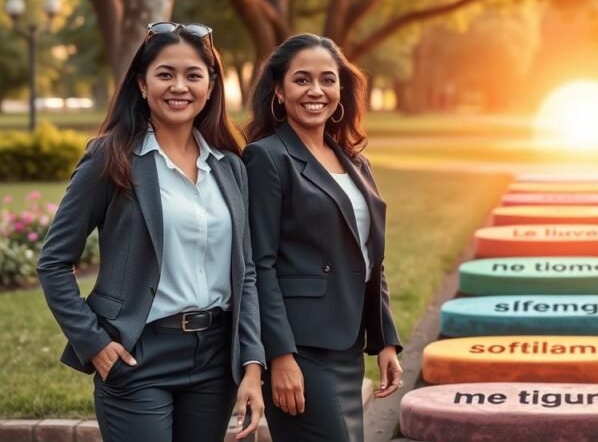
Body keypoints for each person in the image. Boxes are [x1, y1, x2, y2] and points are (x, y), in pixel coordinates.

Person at [37, 22, 265, 441]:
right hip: (138, 356)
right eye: (165, 74)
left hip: (215, 360)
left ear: (211, 86)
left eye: (193, 75)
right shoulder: (111, 157)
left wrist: (251, 364)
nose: (179, 86)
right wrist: (95, 345)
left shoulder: (230, 166)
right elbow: (53, 262)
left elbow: (245, 272)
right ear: (142, 84)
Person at [243, 34, 403, 442]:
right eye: (302, 80)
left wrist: (385, 340)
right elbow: (259, 264)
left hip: (347, 346)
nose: (316, 91)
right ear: (279, 90)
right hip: (301, 349)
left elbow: (369, 257)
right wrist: (279, 356)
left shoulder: (356, 162)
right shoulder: (266, 157)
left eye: (327, 80)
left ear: (341, 90)